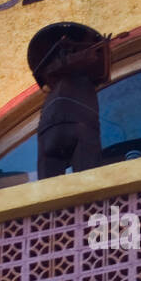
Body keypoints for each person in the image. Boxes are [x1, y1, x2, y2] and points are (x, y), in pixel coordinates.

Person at [29, 23, 111, 179]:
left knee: (85, 179)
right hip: (60, 125)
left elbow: (99, 70)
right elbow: (57, 67)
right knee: (82, 179)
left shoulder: (74, 76)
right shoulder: (57, 73)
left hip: (62, 124)